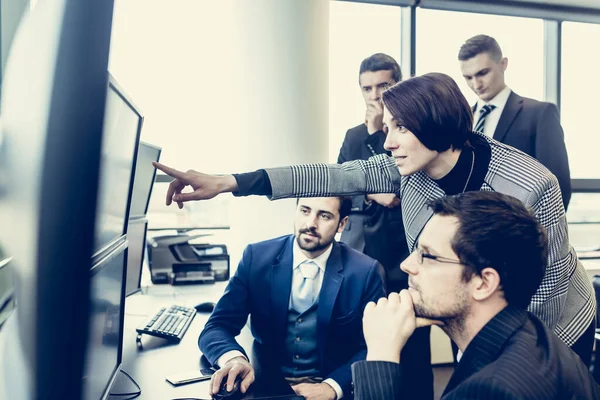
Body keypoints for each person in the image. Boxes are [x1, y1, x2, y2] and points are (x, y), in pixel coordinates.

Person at [152, 72, 595, 366]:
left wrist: (480, 348)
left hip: (556, 322)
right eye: (388, 127)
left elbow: (544, 286)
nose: (387, 142)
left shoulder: (529, 185)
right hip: (481, 321)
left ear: (436, 125)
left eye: (400, 127)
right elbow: (329, 174)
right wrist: (229, 181)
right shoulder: (409, 171)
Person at [351, 191, 600, 399]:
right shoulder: (530, 332)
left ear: (483, 283)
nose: (406, 265)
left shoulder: (493, 390)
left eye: (426, 255)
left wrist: (381, 355)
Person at [198, 196, 386, 400]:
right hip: (265, 384)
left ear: (342, 223)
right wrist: (235, 359)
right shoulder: (256, 257)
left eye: (324, 216)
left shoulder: (365, 272)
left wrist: (332, 387)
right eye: (305, 211)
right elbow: (217, 326)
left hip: (330, 387)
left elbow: (375, 346)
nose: (310, 224)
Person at [336, 53, 433, 400]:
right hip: (362, 254)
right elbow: (341, 188)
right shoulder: (352, 136)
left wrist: (379, 132)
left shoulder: (411, 133)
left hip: (403, 255)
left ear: (398, 85)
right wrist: (371, 195)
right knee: (365, 342)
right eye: (367, 88)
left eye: (383, 86)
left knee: (412, 344)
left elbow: (397, 184)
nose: (375, 95)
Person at [459, 34, 572, 209]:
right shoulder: (463, 120)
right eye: (468, 77)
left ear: (503, 64)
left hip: (520, 229)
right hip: (468, 228)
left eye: (483, 73)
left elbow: (558, 187)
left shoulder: (540, 114)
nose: (476, 84)